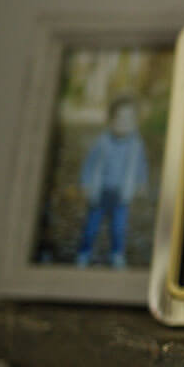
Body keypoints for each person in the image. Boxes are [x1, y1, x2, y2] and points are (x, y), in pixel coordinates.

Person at [76, 96, 148, 268]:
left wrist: (141, 183)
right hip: (100, 192)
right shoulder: (102, 142)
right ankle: (84, 252)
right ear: (111, 120)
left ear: (135, 122)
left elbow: (140, 166)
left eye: (129, 119)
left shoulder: (136, 145)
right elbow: (90, 163)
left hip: (121, 194)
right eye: (119, 118)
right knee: (91, 227)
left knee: (118, 229)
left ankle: (117, 253)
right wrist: (85, 183)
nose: (124, 123)